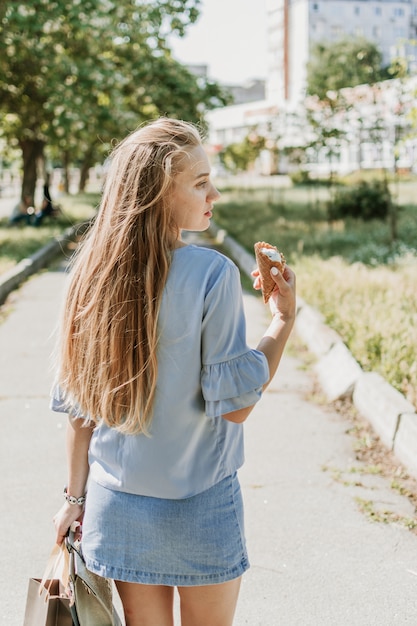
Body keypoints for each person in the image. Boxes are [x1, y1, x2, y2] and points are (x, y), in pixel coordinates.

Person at [51, 117, 296, 626]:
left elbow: (80, 411)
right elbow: (238, 406)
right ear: (163, 190)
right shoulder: (212, 274)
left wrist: (74, 500)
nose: (215, 193)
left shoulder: (88, 275)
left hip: (117, 508)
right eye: (201, 182)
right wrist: (283, 319)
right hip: (201, 504)